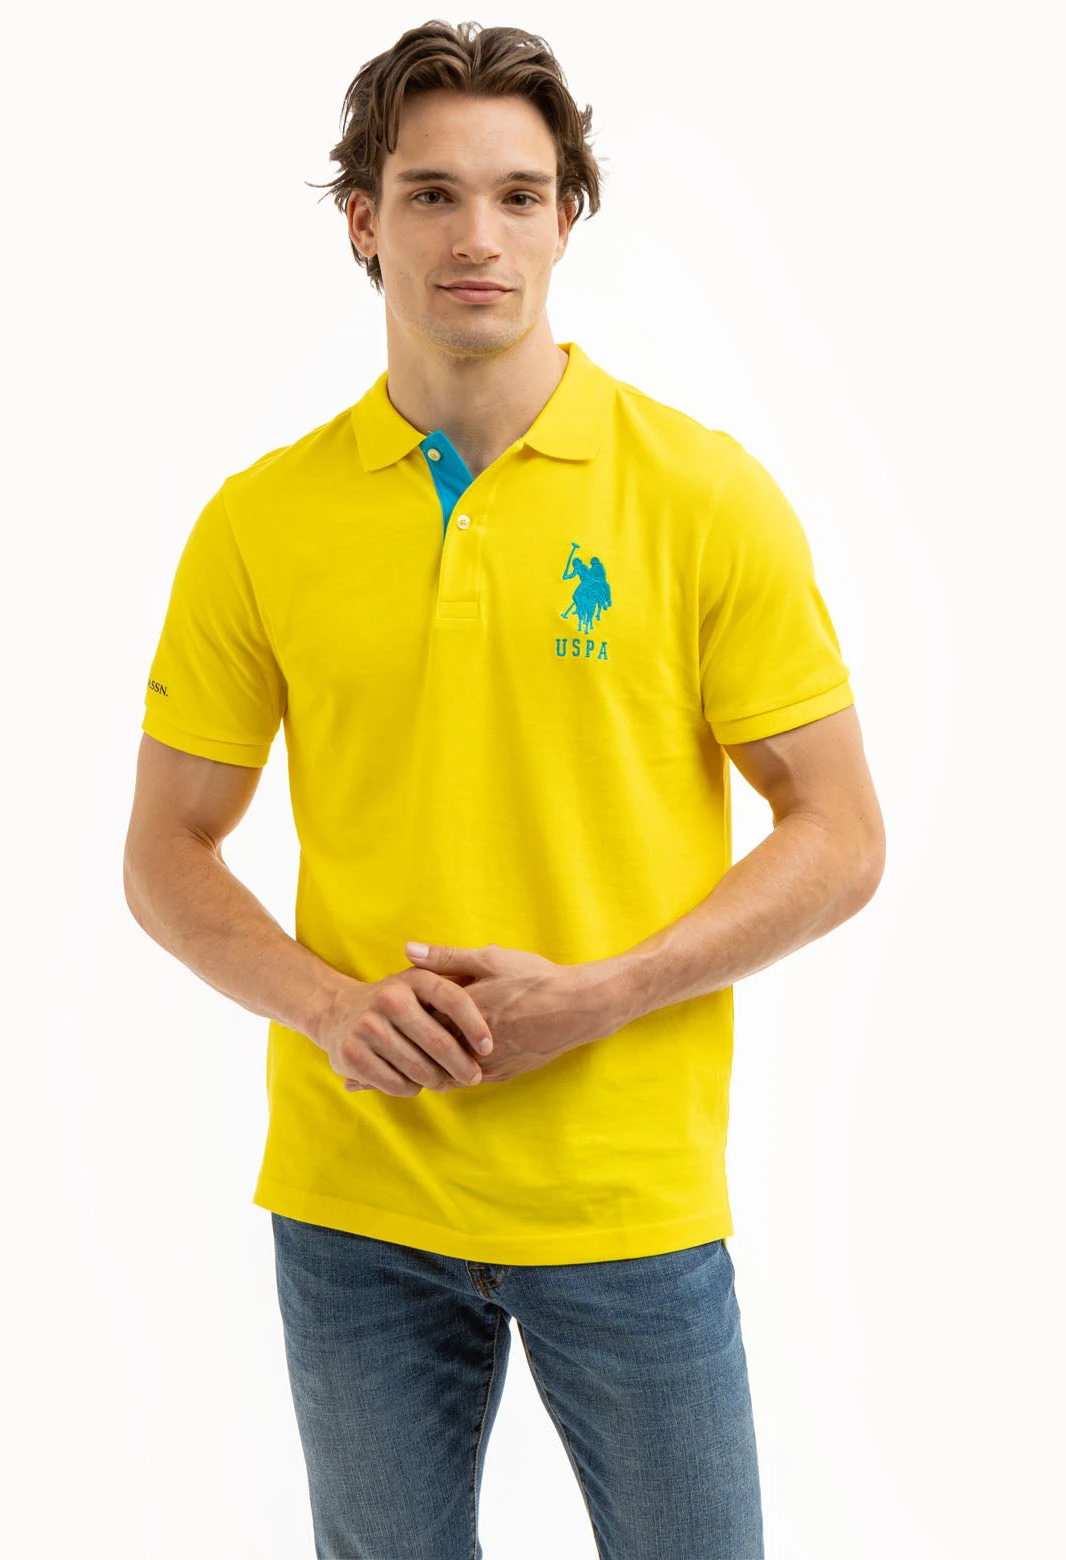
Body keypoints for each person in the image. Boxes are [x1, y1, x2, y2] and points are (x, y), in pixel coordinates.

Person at [123, 19, 886, 1560]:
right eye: (431, 193)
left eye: (520, 195)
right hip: (355, 1204)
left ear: (566, 219)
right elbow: (168, 852)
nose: (478, 235)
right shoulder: (259, 523)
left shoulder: (702, 496)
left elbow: (842, 831)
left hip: (625, 1195)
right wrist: (328, 1008)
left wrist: (607, 994)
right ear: (364, 220)